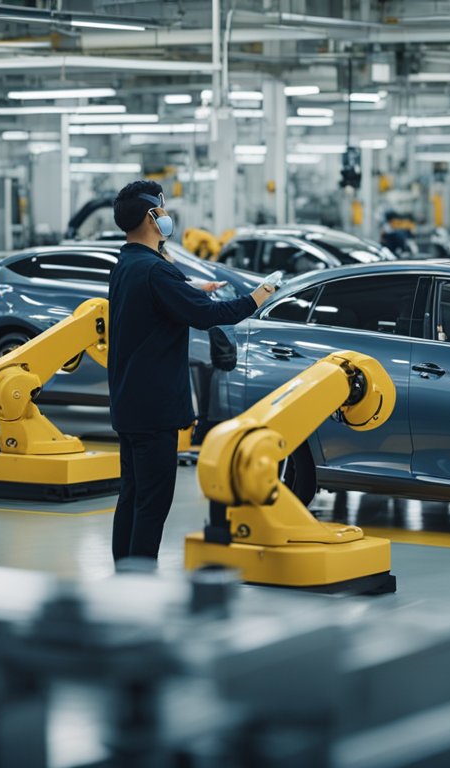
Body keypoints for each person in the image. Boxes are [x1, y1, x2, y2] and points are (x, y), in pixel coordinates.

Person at [107, 180, 276, 564]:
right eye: (163, 211)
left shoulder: (127, 265)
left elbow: (159, 294)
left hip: (129, 404)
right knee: (152, 503)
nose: (168, 218)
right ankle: (141, 586)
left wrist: (193, 285)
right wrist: (258, 296)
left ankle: (125, 580)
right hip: (155, 410)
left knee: (132, 497)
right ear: (151, 217)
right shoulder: (155, 272)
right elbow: (208, 316)